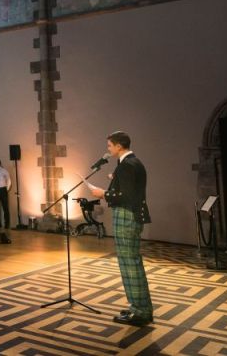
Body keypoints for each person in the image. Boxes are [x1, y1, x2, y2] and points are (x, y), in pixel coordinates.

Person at [89, 131, 153, 326]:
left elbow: (126, 196)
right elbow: (130, 189)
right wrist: (115, 179)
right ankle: (140, 308)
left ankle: (140, 311)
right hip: (132, 216)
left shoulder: (127, 165)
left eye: (109, 145)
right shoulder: (133, 163)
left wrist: (103, 194)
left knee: (129, 264)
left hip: (126, 216)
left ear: (118, 146)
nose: (108, 149)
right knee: (132, 262)